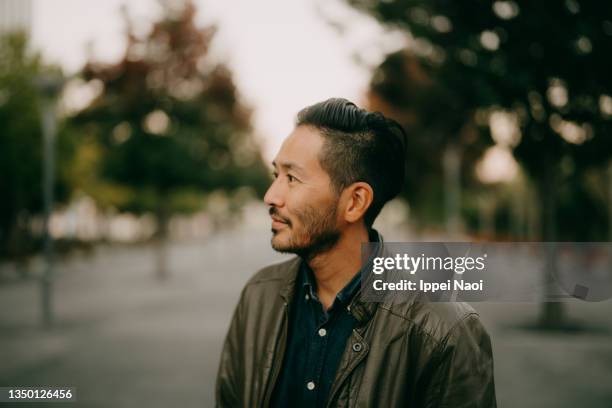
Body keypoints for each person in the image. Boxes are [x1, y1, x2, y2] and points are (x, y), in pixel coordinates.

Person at [215, 98, 496, 407]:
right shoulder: (258, 297)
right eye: (275, 175)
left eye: (292, 179)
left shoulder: (442, 330)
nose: (271, 196)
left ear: (354, 202)